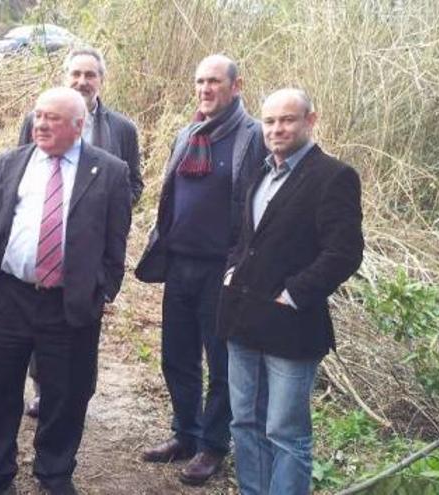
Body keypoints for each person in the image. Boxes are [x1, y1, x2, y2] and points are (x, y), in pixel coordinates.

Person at [0, 87, 132, 495]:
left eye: (52, 117)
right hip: (10, 297)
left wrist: (101, 291)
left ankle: (54, 472)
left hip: (69, 303)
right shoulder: (10, 162)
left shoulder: (110, 171)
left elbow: (115, 242)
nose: (41, 123)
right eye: (38, 115)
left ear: (78, 125)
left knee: (66, 395)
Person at [218, 88, 364, 494]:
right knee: (244, 422)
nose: (277, 128)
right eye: (270, 121)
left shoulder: (334, 176)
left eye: (287, 120)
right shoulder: (261, 171)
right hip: (243, 320)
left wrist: (294, 294)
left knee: (285, 433)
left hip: (292, 326)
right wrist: (232, 269)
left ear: (310, 121)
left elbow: (344, 253)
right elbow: (246, 237)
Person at [134, 54, 265, 486]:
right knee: (177, 357)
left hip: (223, 272)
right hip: (180, 267)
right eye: (199, 82)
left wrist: (242, 265)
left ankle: (212, 446)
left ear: (236, 85)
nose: (205, 90)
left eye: (213, 82)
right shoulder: (188, 134)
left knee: (221, 363)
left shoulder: (253, 137)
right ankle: (185, 435)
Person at [17, 46, 142, 418]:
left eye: (90, 75)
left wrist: (108, 211)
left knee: (81, 323)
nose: (82, 81)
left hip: (91, 249)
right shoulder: (35, 120)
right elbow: (21, 172)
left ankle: (75, 394)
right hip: (46, 241)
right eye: (76, 74)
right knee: (39, 320)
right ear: (65, 76)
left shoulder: (122, 128)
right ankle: (42, 389)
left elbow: (133, 182)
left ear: (102, 80)